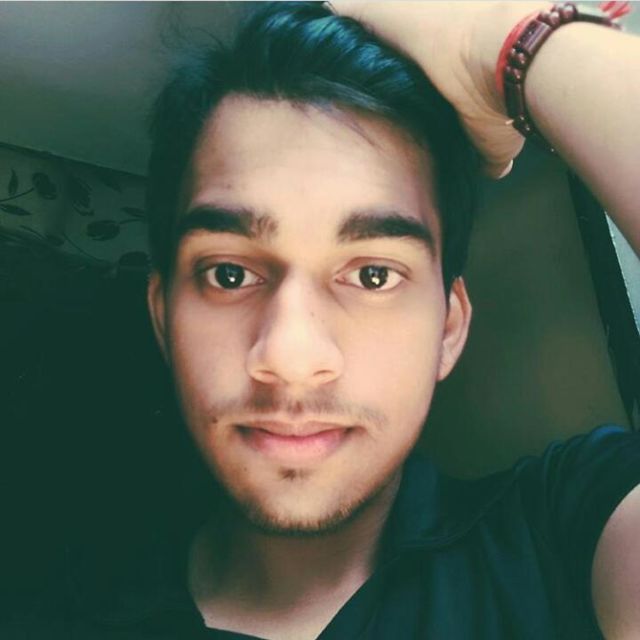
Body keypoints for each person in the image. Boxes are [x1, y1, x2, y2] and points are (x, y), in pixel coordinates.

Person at [5, 2, 640, 638]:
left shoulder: (560, 541)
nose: (289, 356)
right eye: (229, 274)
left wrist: (514, 42)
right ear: (164, 318)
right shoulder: (50, 612)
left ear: (448, 330)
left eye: (373, 276)